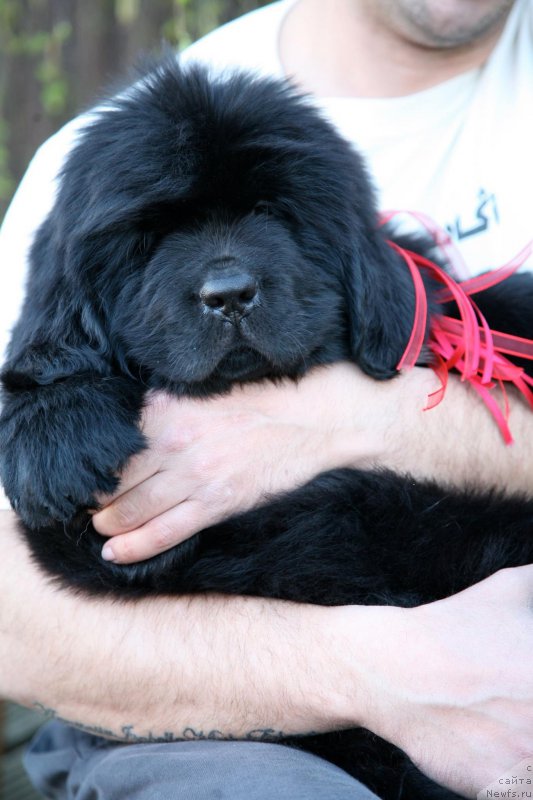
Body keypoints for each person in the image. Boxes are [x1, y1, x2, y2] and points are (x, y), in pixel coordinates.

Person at [0, 1, 532, 798]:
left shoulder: (407, 279)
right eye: (158, 237)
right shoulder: (73, 177)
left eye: (271, 215)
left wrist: (361, 421)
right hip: (229, 727)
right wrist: (379, 671)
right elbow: (18, 618)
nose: (225, 275)